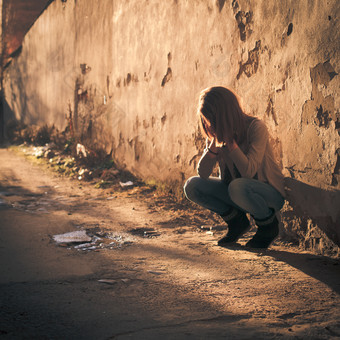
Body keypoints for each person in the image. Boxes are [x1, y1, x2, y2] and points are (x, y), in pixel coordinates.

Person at [183, 86, 285, 249]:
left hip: (267, 194)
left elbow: (249, 172)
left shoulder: (256, 127)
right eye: (206, 120)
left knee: (237, 186)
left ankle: (268, 226)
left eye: (212, 119)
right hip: (236, 192)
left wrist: (231, 144)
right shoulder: (217, 135)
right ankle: (237, 222)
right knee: (192, 186)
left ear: (224, 115)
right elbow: (202, 174)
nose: (209, 124)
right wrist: (212, 148)